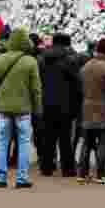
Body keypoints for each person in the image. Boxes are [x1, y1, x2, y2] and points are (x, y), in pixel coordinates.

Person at [0, 26, 42, 189]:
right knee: (24, 143)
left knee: (1, 143)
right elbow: (36, 89)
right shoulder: (31, 62)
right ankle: (22, 178)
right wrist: (38, 108)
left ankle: (0, 178)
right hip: (24, 110)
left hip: (3, 108)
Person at [37, 32, 81, 177]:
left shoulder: (42, 59)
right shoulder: (70, 60)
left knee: (47, 137)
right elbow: (77, 84)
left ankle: (46, 167)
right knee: (65, 138)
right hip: (65, 104)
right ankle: (67, 169)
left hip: (46, 103)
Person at [78, 38, 105, 184]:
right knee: (103, 143)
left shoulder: (86, 66)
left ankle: (82, 173)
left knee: (87, 143)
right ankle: (101, 174)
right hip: (104, 110)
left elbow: (80, 88)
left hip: (86, 108)